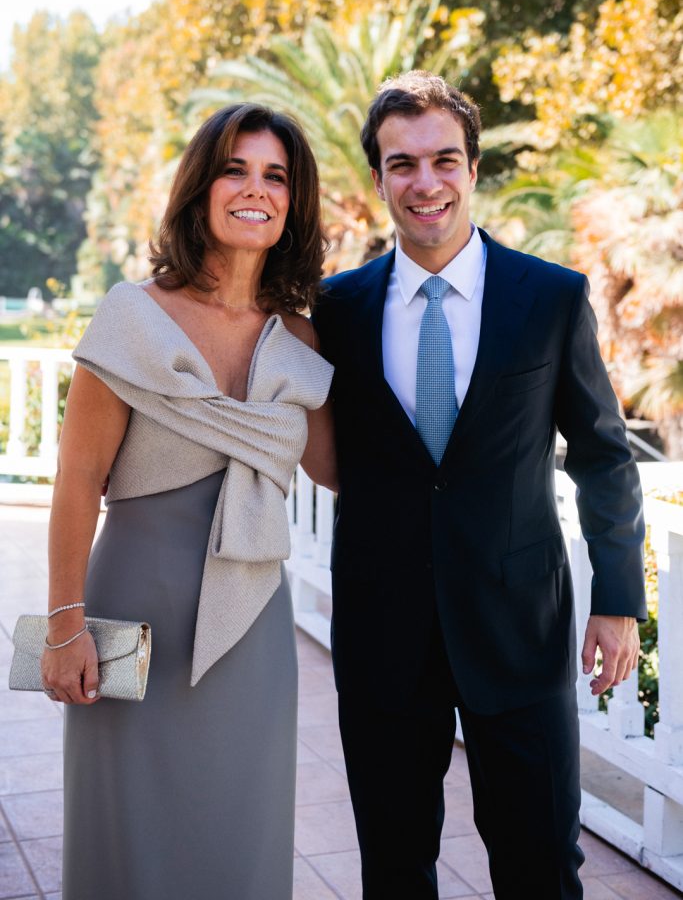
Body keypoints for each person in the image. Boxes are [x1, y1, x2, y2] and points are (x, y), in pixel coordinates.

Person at [311, 71, 647, 900]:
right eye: (401, 164)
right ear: (377, 177)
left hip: (517, 630)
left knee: (540, 867)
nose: (424, 183)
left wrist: (615, 600)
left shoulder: (550, 297)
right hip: (382, 631)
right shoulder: (334, 310)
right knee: (394, 868)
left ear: (472, 168)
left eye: (443, 160)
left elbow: (602, 455)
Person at [41, 103, 336, 900]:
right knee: (129, 824)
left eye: (276, 176)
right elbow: (78, 481)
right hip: (133, 612)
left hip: (253, 619)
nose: (255, 189)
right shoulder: (132, 316)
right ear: (200, 188)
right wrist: (64, 626)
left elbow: (339, 471)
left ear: (294, 201)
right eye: (235, 170)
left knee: (242, 819)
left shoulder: (300, 340)